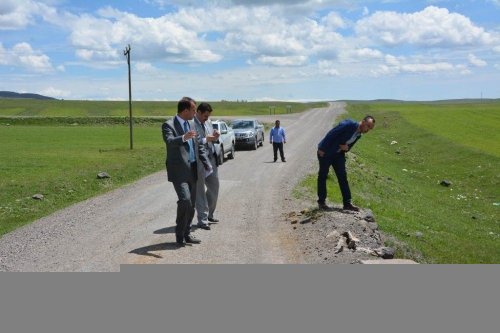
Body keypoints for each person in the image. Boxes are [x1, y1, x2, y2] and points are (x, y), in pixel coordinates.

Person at [162, 97, 209, 246]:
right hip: (179, 171)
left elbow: (197, 145)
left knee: (191, 204)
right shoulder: (168, 125)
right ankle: (179, 234)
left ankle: (187, 234)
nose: (195, 112)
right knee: (185, 200)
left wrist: (206, 162)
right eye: (194, 109)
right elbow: (169, 141)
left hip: (193, 169)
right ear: (185, 110)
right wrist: (183, 137)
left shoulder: (192, 124)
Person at [316, 115, 375, 211]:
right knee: (323, 176)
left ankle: (347, 203)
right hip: (326, 152)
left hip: (338, 155)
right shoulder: (349, 124)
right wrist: (322, 148)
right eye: (368, 126)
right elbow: (332, 134)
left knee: (343, 177)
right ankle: (321, 202)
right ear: (363, 121)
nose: (368, 129)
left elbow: (348, 145)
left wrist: (346, 149)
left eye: (370, 128)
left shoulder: (359, 134)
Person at [193, 102, 221, 230]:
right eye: (205, 115)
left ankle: (209, 214)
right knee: (200, 192)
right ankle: (203, 220)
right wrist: (206, 139)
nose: (206, 118)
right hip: (199, 161)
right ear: (198, 112)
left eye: (208, 116)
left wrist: (215, 136)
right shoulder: (191, 123)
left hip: (211, 160)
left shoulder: (208, 122)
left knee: (214, 188)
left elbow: (212, 138)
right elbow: (195, 141)